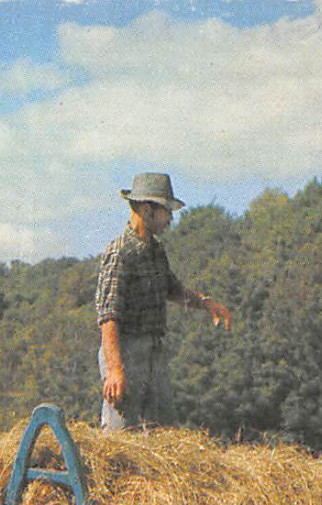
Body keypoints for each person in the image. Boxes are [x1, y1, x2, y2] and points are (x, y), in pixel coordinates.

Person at [94, 172, 232, 431]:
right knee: (121, 435)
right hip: (126, 352)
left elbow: (172, 289)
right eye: (166, 211)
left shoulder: (156, 251)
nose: (170, 218)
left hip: (153, 351)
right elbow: (108, 317)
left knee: (164, 432)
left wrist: (206, 303)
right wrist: (115, 370)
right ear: (147, 210)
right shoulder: (119, 253)